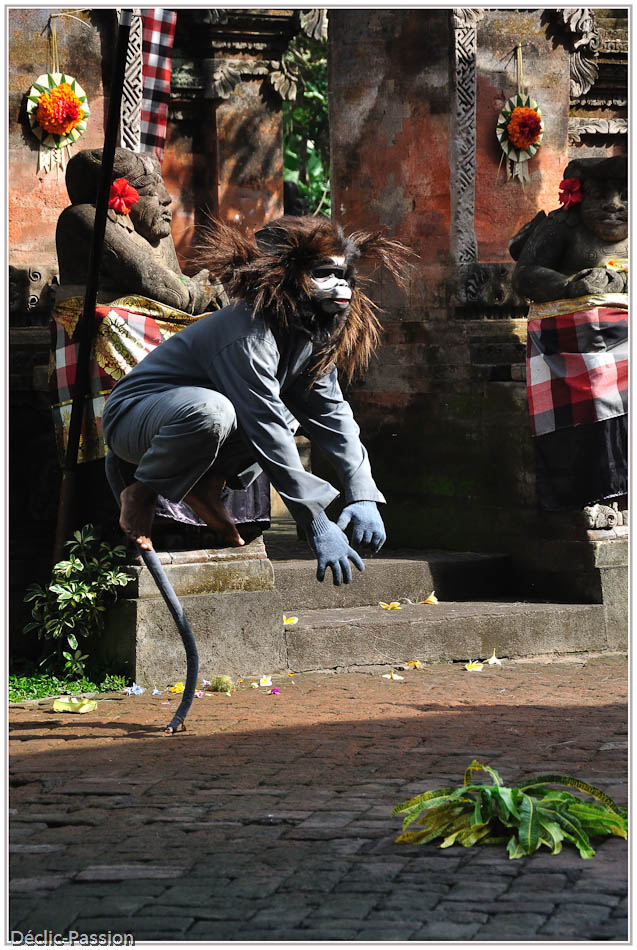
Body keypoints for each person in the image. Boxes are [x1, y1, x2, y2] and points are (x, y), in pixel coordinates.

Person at [102, 215, 411, 584]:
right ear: (287, 275)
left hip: (208, 419)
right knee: (216, 412)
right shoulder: (250, 334)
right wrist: (316, 522)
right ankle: (143, 491)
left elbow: (332, 415)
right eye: (323, 274)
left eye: (343, 277)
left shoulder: (308, 334)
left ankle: (205, 484)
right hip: (136, 418)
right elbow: (264, 426)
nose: (339, 288)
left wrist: (362, 493)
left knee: (286, 414)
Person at [511, 155, 627, 515]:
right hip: (574, 348)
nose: (614, 205)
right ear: (578, 197)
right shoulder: (561, 226)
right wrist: (568, 284)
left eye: (626, 195)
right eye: (599, 195)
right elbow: (525, 274)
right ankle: (596, 491)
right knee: (595, 398)